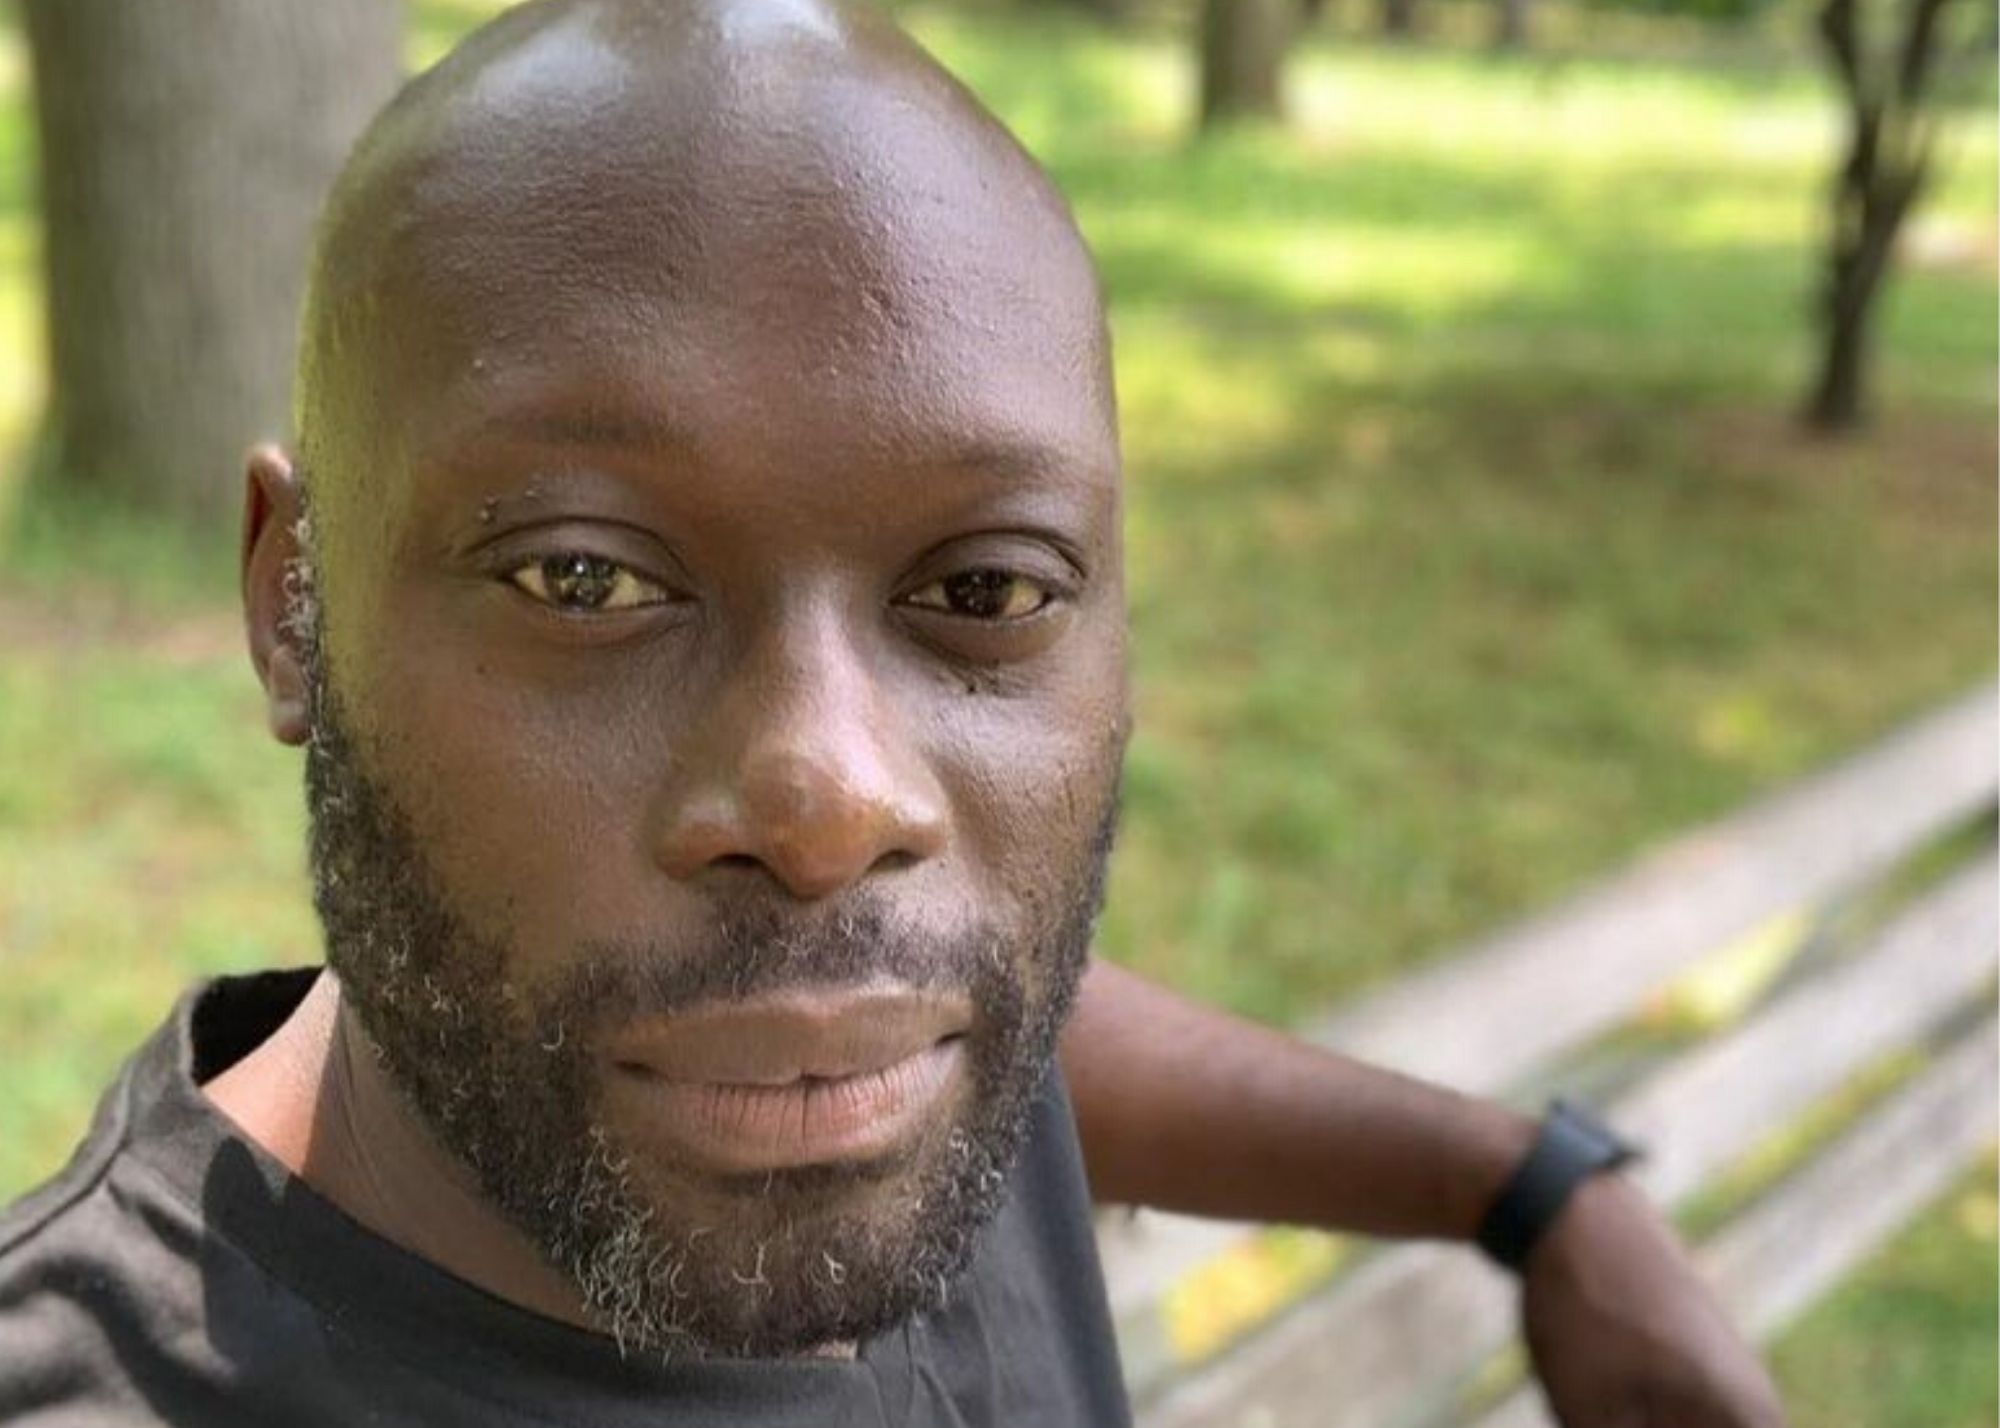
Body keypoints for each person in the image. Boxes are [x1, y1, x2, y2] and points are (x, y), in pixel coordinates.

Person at [0, 0, 1786, 1424]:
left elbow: (1030, 1035)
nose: (831, 805)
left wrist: (1525, 1186)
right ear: (291, 606)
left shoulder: (854, 1040)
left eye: (985, 591)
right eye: (586, 578)